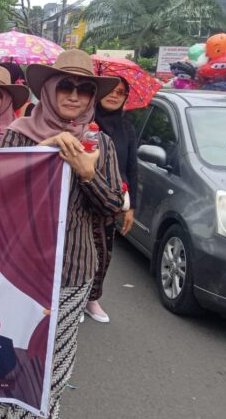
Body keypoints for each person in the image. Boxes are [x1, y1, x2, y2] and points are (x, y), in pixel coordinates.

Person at [0, 49, 123, 419]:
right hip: (17, 271)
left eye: (85, 90)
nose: (74, 96)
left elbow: (112, 207)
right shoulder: (19, 135)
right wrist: (40, 154)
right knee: (10, 351)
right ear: (51, 90)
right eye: (66, 86)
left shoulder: (100, 145)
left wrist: (87, 173)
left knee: (52, 362)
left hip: (72, 270)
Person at [86, 77, 138, 323]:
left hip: (113, 199)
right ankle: (70, 296)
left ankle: (91, 298)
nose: (115, 95)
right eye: (111, 90)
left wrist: (132, 206)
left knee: (104, 251)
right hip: (83, 193)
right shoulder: (84, 121)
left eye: (121, 92)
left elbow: (132, 167)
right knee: (76, 249)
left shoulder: (127, 128)